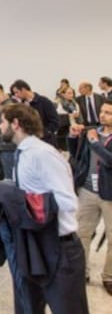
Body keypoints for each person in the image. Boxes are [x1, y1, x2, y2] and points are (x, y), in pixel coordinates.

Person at [0, 103, 88, 314]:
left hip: (60, 251)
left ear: (16, 123)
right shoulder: (24, 153)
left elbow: (67, 201)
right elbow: (32, 191)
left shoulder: (41, 154)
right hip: (35, 245)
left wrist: (7, 193)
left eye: (3, 122)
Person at [69, 99, 112, 292]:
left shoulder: (93, 137)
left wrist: (94, 143)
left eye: (108, 113)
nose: (103, 115)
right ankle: (82, 271)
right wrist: (73, 137)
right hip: (87, 191)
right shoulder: (90, 132)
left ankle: (109, 276)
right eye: (102, 111)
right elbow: (76, 155)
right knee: (82, 233)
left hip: (110, 194)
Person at [10, 79, 60, 146]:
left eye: (17, 92)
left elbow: (55, 121)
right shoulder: (21, 105)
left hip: (46, 141)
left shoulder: (44, 101)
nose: (16, 95)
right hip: (29, 142)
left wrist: (44, 133)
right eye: (14, 93)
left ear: (24, 89)